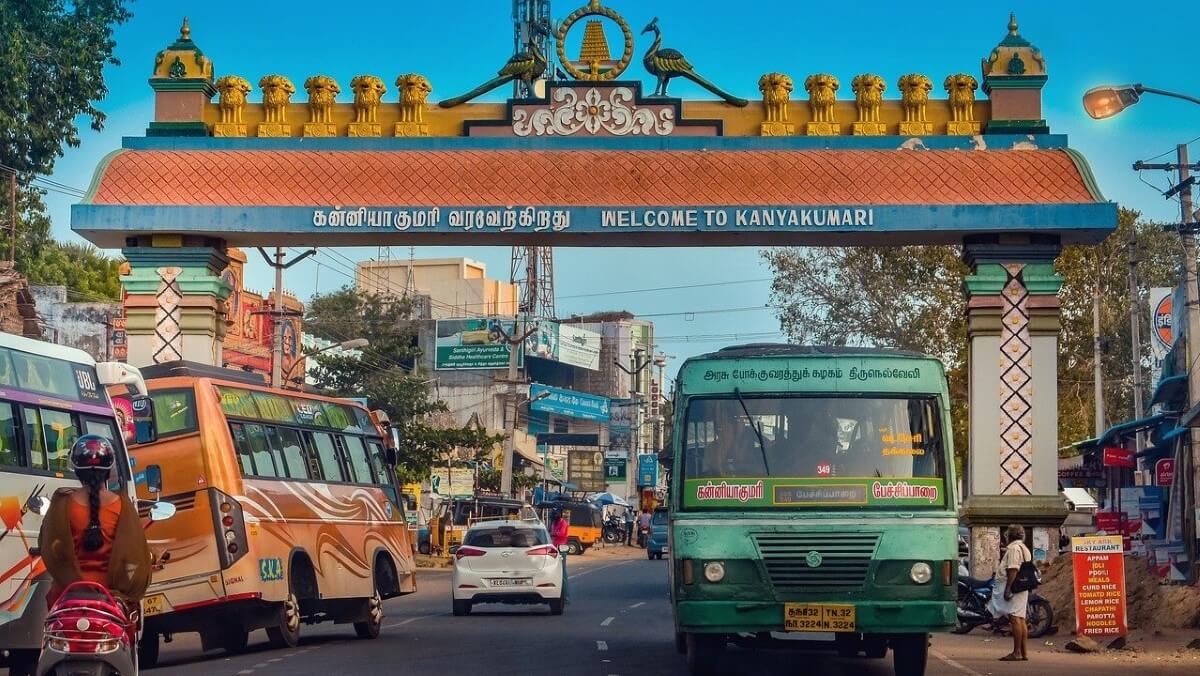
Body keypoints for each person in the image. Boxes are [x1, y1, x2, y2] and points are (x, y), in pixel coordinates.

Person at [38, 435, 151, 609]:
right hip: (111, 602)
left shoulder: (62, 506)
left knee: (52, 635)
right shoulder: (123, 507)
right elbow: (133, 554)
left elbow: (50, 547)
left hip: (67, 601)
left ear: (77, 471)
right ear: (108, 470)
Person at [991, 524, 1032, 662]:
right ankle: (1023, 652)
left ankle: (1016, 653)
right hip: (1021, 586)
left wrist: (1008, 588)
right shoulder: (1023, 548)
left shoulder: (1014, 548)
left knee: (1015, 619)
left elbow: (1013, 569)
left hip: (1014, 586)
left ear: (1010, 535)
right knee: (1020, 619)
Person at [550, 508, 570, 604]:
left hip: (561, 549)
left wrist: (553, 534)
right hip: (554, 548)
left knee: (562, 573)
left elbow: (561, 534)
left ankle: (566, 596)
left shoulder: (563, 523)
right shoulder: (554, 523)